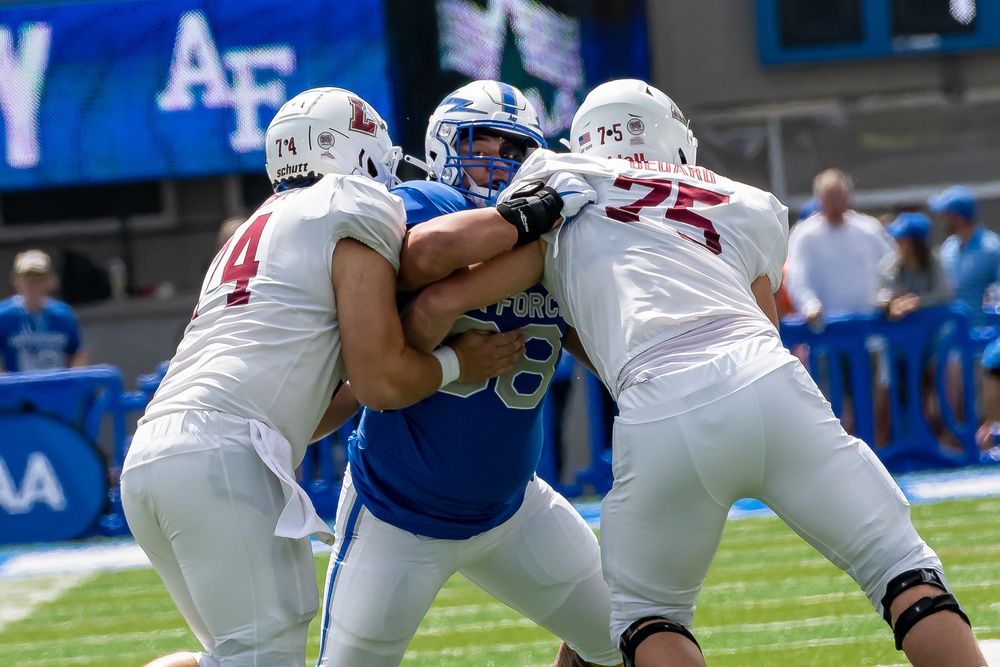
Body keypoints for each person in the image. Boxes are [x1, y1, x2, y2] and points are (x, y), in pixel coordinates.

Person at [401, 79, 987, 667]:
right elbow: (768, 326)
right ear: (674, 140)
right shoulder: (740, 198)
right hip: (767, 380)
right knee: (902, 572)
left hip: (658, 399)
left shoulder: (560, 181)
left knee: (646, 618)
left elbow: (437, 270)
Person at [118, 87, 524, 667]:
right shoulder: (350, 202)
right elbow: (383, 384)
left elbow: (309, 415)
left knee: (237, 656)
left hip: (157, 456)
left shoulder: (254, 227)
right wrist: (459, 361)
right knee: (261, 656)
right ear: (356, 149)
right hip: (221, 455)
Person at [315, 80, 621, 667]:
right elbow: (427, 255)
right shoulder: (427, 202)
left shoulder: (555, 239)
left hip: (511, 510)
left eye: (515, 150)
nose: (500, 162)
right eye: (486, 142)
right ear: (444, 144)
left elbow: (602, 348)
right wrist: (524, 228)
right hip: (398, 512)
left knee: (624, 639)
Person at [0, 249, 87, 373]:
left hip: (56, 387)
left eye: (39, 279)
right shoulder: (4, 315)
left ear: (50, 281)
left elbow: (78, 353)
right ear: (17, 281)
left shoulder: (63, 315)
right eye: (28, 280)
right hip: (19, 389)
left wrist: (72, 384)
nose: (33, 286)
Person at [929, 185, 1000, 328]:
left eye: (945, 215)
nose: (942, 220)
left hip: (984, 336)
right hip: (954, 336)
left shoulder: (991, 248)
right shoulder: (948, 247)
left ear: (958, 217)